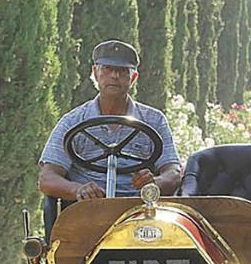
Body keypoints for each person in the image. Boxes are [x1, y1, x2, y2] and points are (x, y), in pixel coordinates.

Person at [38, 39, 182, 202]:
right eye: (107, 69)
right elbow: (47, 178)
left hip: (140, 209)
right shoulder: (72, 122)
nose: (114, 76)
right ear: (95, 73)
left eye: (122, 71)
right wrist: (78, 190)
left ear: (133, 77)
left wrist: (154, 183)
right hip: (87, 210)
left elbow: (174, 172)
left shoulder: (154, 120)